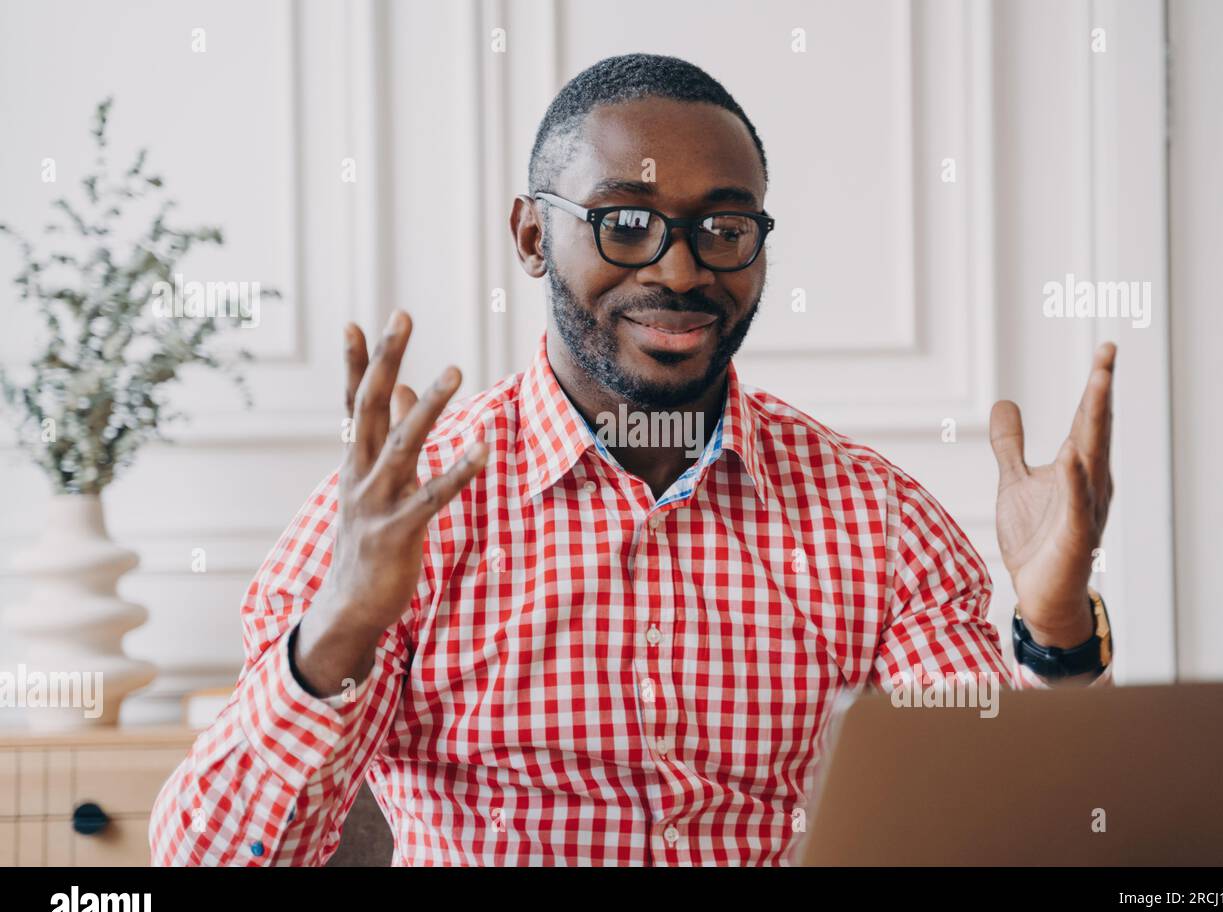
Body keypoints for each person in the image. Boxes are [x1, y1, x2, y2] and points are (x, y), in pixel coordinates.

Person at [150, 53, 1116, 866]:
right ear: (533, 236)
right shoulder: (398, 514)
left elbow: (1007, 832)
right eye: (625, 221)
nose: (681, 268)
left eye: (724, 229)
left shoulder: (878, 522)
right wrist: (338, 631)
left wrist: (1056, 624)